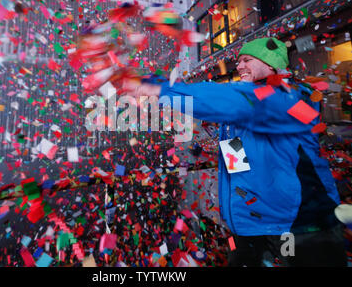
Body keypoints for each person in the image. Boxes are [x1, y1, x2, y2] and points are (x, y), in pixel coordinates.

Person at [120, 37, 348, 267]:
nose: (238, 66)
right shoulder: (242, 111)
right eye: (238, 62)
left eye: (247, 60)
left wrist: (162, 90)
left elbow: (233, 99)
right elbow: (238, 163)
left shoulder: (294, 95)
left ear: (271, 64)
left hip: (303, 226)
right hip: (249, 227)